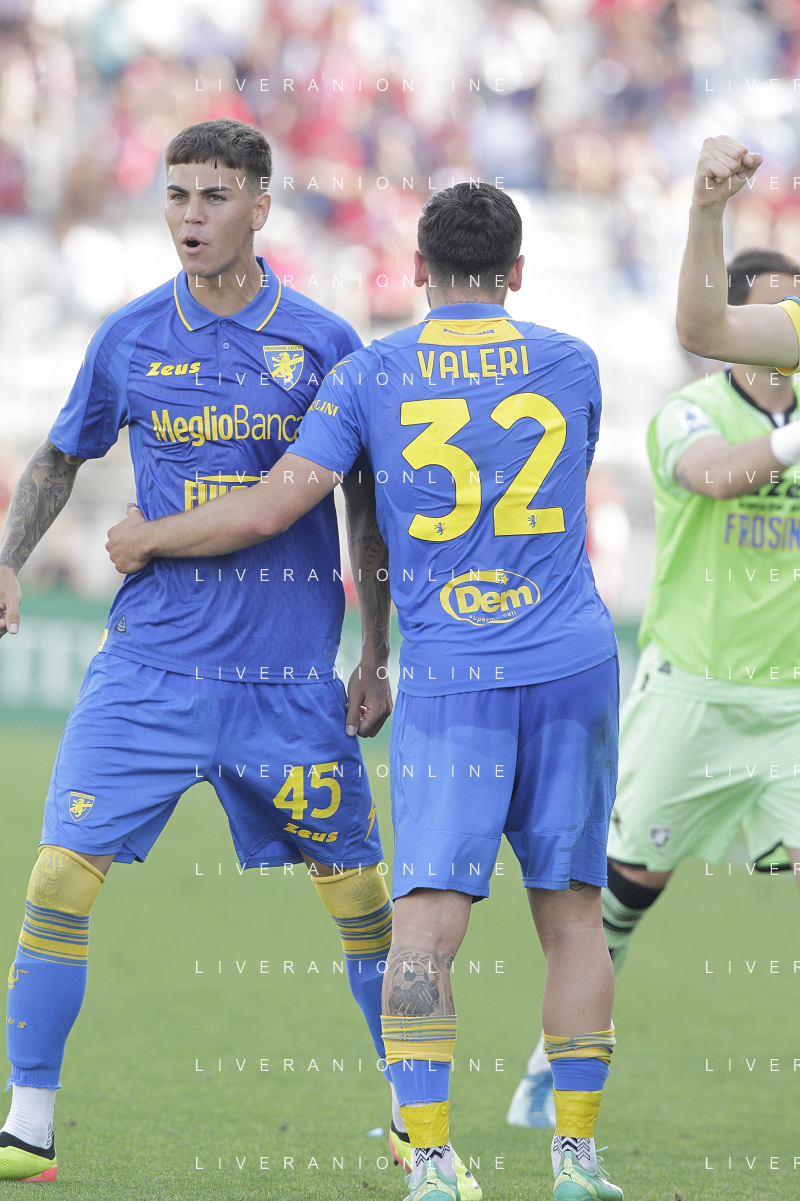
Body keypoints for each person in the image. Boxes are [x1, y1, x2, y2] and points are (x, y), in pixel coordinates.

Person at [106, 181, 624, 1201]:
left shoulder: (370, 373)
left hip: (455, 680)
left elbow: (273, 509)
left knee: (425, 921)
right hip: (570, 663)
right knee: (571, 917)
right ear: (517, 272)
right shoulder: (573, 363)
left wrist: (152, 537)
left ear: (418, 270)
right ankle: (576, 1159)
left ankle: (427, 1159)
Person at [0, 118, 481, 1199]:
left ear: (261, 204)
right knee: (56, 875)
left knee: (363, 904)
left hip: (286, 683)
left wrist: (374, 652)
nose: (190, 216)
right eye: (176, 196)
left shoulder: (322, 342)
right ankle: (27, 1122)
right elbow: (61, 453)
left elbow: (366, 507)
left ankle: (412, 1124)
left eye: (213, 196)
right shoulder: (129, 336)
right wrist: (9, 559)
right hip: (150, 671)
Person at [507, 243, 800, 1129]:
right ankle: (552, 1062)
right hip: (692, 696)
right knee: (628, 889)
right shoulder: (688, 412)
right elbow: (715, 475)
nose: (786, 325)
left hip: (791, 702)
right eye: (771, 309)